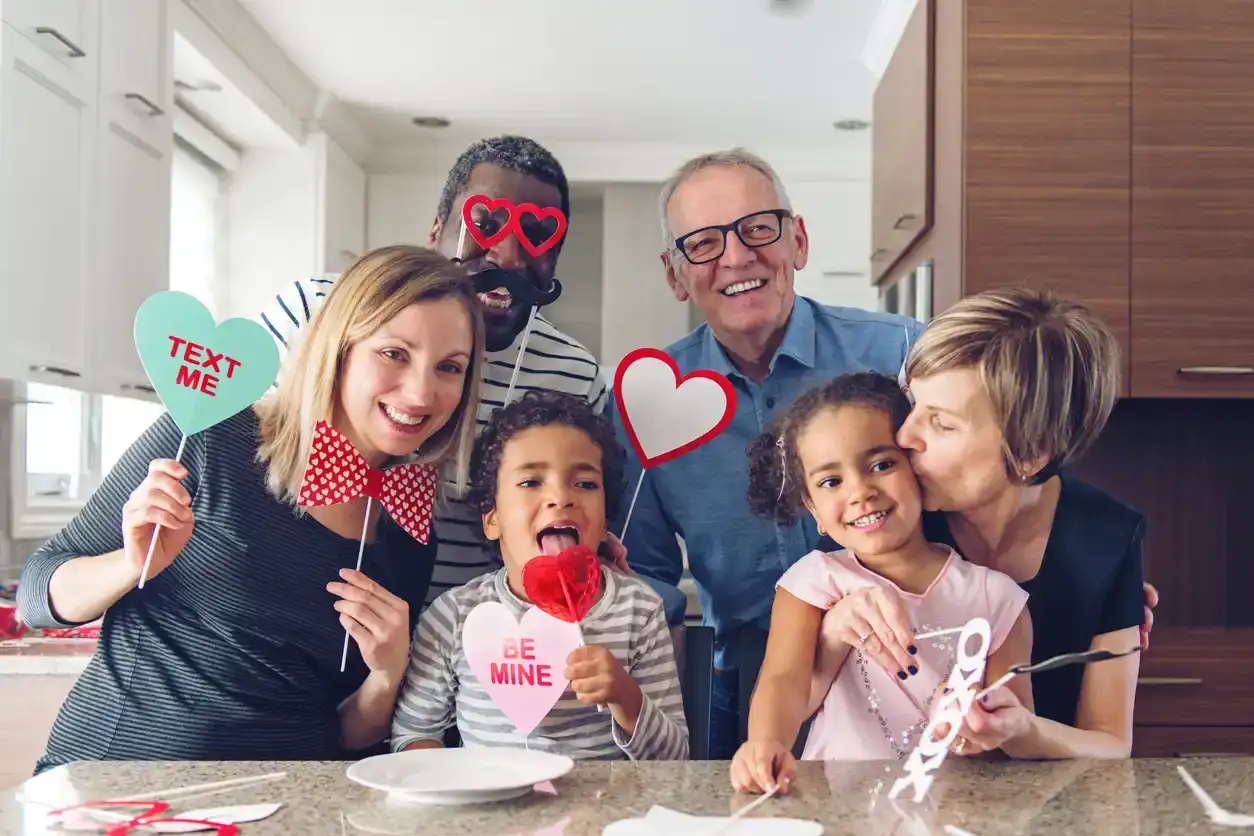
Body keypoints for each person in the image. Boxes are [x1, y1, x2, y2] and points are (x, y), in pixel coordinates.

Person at [17, 246, 484, 772]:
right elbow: (36, 595)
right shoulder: (211, 437)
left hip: (281, 805)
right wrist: (129, 563)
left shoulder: (411, 532)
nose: (422, 391)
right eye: (394, 353)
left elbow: (348, 735)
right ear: (340, 349)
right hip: (117, 786)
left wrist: (386, 676)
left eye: (449, 367)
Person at [610, 147, 924, 758]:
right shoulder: (643, 403)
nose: (735, 257)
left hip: (912, 667)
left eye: (758, 228)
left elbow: (993, 479)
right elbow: (643, 579)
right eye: (702, 243)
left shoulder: (907, 357)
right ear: (675, 274)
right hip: (752, 686)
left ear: (798, 241)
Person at [259, 136, 612, 609]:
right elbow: (238, 461)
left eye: (537, 235)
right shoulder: (314, 311)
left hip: (475, 650)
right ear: (436, 230)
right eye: (484, 225)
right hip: (293, 612)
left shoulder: (573, 375)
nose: (508, 257)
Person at [818, 287, 1144, 760]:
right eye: (913, 405)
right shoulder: (881, 512)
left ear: (1031, 454)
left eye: (942, 424)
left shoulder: (1108, 539)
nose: (905, 436)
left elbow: (1111, 743)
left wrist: (1023, 731)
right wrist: (834, 629)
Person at [728, 372, 1031, 793]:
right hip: (836, 807)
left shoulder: (996, 598)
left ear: (918, 470)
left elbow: (1016, 739)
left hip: (955, 811)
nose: (861, 491)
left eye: (882, 464)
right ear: (812, 507)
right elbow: (784, 679)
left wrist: (980, 725)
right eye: (831, 482)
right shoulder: (814, 582)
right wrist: (765, 743)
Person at [391, 391, 688, 760]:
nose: (561, 498)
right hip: (492, 812)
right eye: (531, 482)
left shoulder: (638, 610)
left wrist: (626, 697)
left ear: (605, 518)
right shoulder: (453, 616)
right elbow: (412, 734)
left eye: (585, 484)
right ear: (492, 518)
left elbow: (675, 759)